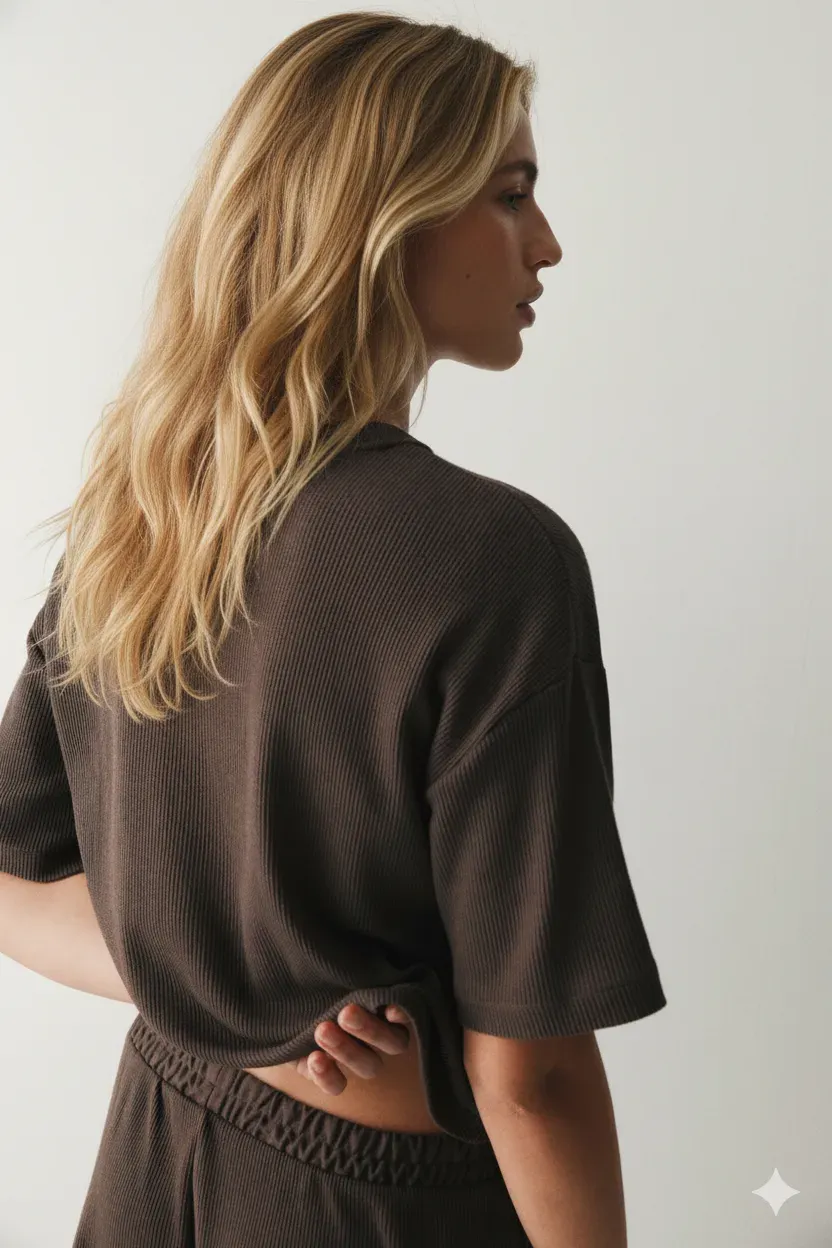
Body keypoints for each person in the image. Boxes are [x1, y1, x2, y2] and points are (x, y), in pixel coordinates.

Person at [1, 11, 666, 1246]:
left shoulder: (146, 518)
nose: (547, 242)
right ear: (385, 219)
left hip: (153, 1154)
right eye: (510, 194)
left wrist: (224, 997)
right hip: (373, 1206)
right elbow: (532, 1077)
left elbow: (8, 875)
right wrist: (256, 998)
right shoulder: (493, 561)